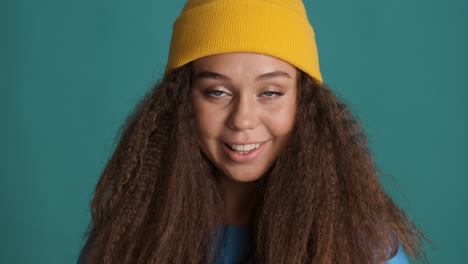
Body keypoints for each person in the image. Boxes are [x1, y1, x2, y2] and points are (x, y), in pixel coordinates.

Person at [78, 0, 428, 263]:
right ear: (180, 101)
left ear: (305, 104)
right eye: (217, 92)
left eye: (270, 93)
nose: (243, 120)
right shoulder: (127, 237)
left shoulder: (362, 244)